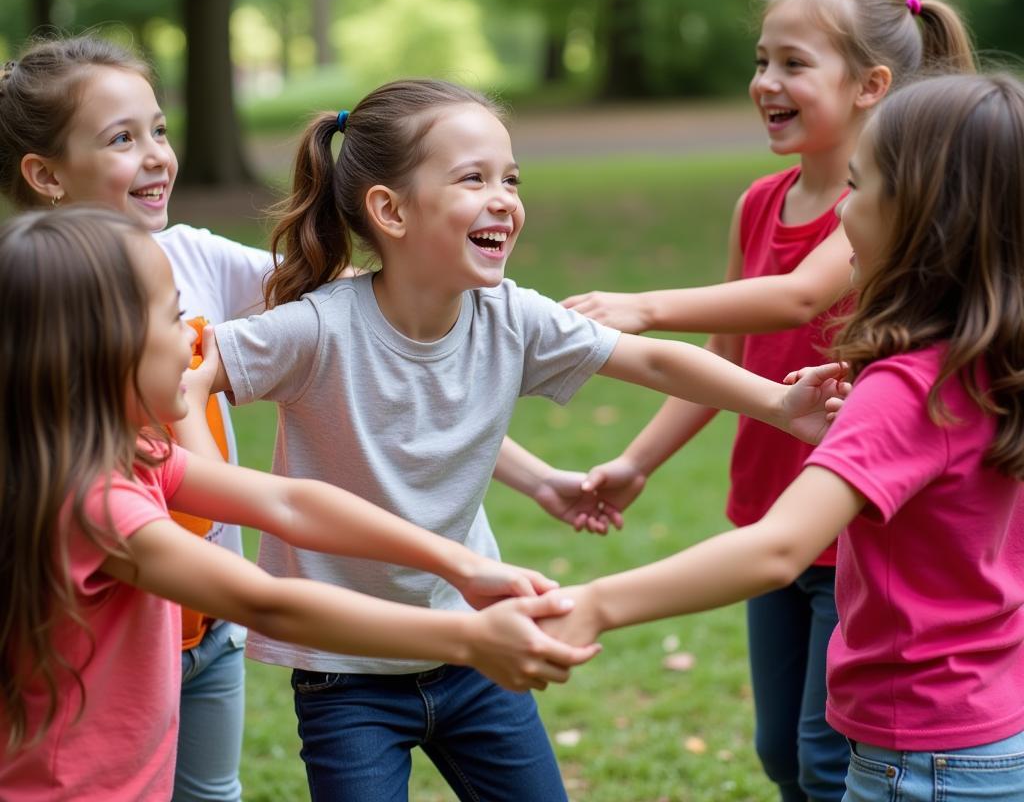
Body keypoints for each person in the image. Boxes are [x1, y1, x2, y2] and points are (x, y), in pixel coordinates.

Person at [199, 77, 848, 801]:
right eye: (472, 178)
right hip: (346, 671)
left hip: (479, 648)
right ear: (390, 210)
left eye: (511, 178)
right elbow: (189, 370)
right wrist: (197, 477)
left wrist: (780, 405)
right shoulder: (317, 329)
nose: (504, 197)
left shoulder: (507, 316)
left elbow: (654, 357)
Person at [0, 205, 605, 802]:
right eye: (174, 315)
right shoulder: (94, 504)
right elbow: (264, 601)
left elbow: (291, 503)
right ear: (102, 350)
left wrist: (463, 565)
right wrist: (468, 639)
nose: (194, 335)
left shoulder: (126, 456)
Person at [541, 72, 1024, 802]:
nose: (840, 217)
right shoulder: (997, 366)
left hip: (916, 759)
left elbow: (778, 548)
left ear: (924, 217)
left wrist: (598, 603)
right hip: (998, 735)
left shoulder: (905, 389)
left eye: (857, 190)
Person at [0, 37, 272, 802]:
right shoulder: (31, 304)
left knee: (210, 793)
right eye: (123, 138)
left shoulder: (195, 256)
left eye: (159, 129)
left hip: (207, 626)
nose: (157, 155)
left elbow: (331, 304)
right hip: (101, 637)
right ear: (47, 175)